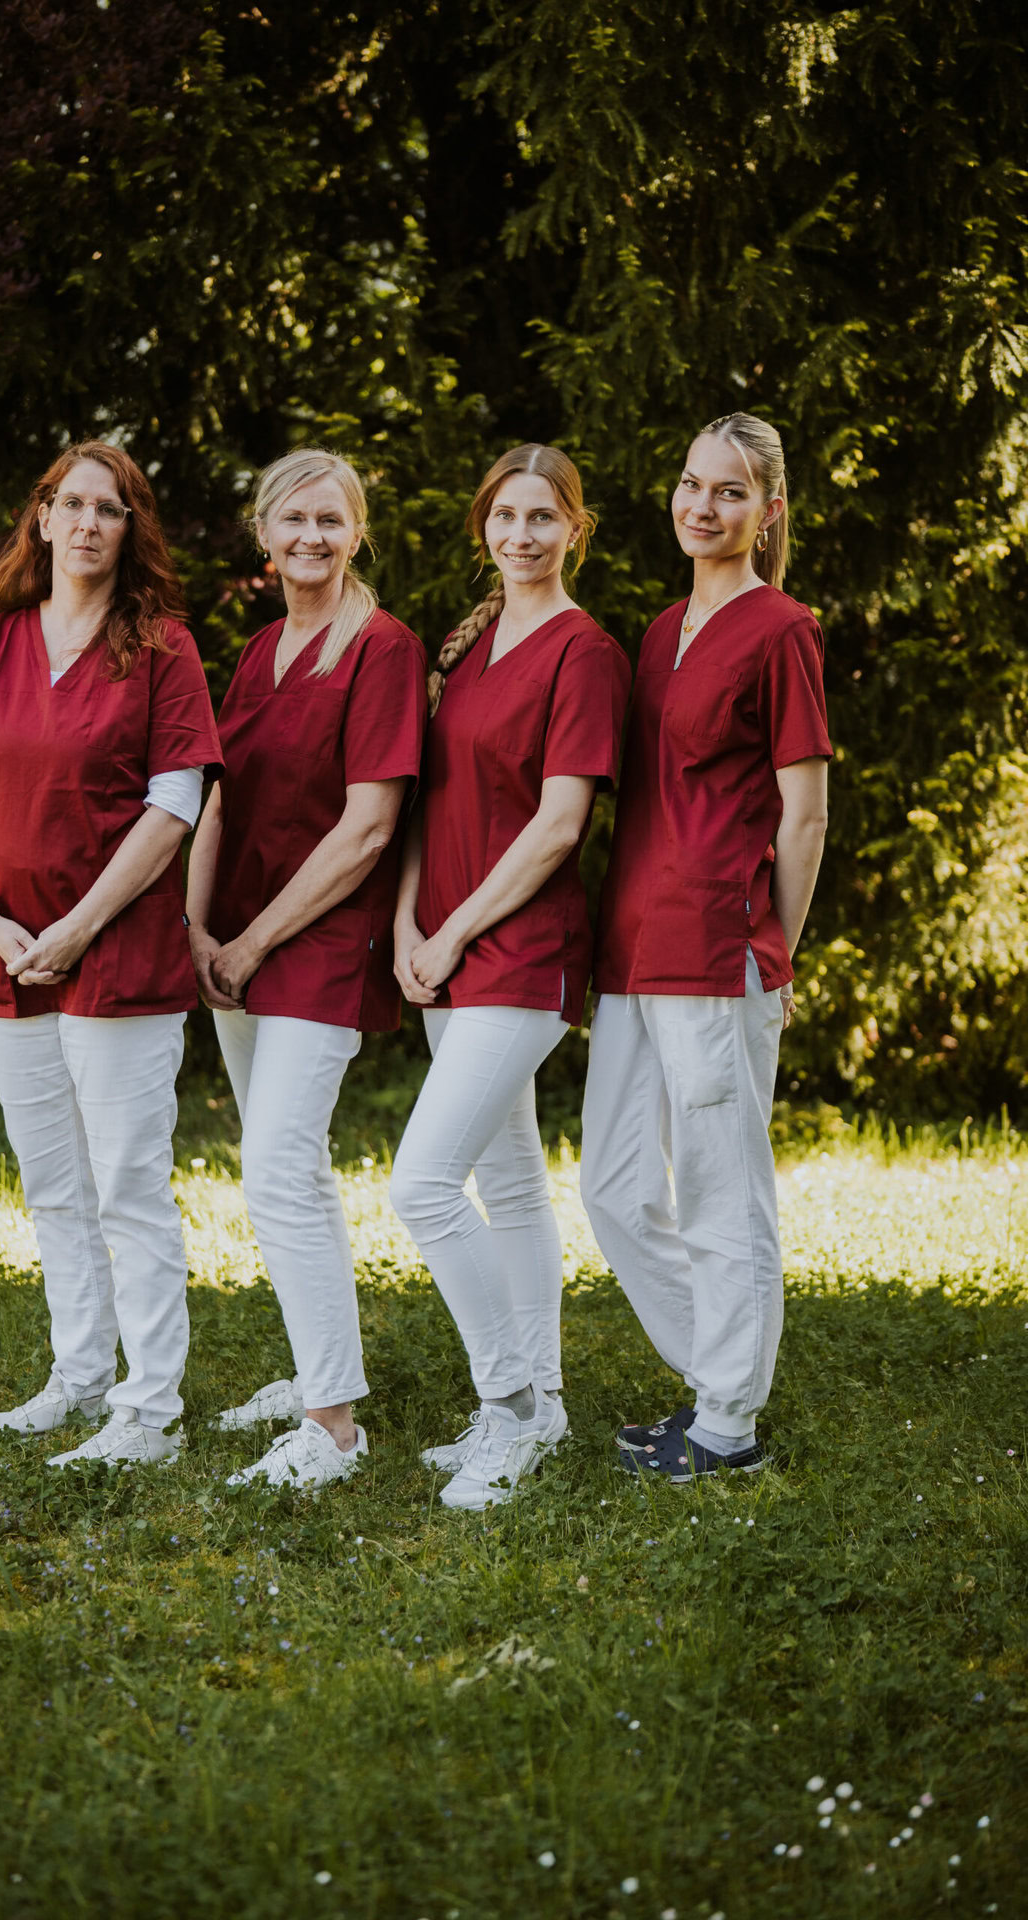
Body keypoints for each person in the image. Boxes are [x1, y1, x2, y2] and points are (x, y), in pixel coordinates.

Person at [0, 441, 221, 1468]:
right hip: (6, 950)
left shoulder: (163, 647)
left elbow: (174, 805)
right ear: (41, 519)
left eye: (112, 507)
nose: (90, 521)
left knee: (127, 1186)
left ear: (131, 531)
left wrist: (82, 923)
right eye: (72, 503)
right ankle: (79, 1375)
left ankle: (149, 1411)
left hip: (116, 956)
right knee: (52, 1183)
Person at [582, 411, 831, 1482]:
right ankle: (720, 1371)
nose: (701, 506)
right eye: (690, 484)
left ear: (766, 511)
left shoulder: (781, 629)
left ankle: (726, 1422)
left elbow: (803, 812)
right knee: (612, 1184)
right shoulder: (655, 630)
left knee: (720, 1189)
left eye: (728, 492)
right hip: (632, 943)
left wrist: (774, 954)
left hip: (719, 945)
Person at [390, 445, 631, 1511]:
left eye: (543, 517)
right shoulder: (470, 639)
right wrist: (406, 923)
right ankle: (548, 1398)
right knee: (509, 1184)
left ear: (574, 530)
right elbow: (421, 802)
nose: (521, 535)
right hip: (441, 945)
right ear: (482, 524)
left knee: (419, 1185)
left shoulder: (583, 653)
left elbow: (558, 826)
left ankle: (510, 1409)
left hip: (519, 953)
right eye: (505, 516)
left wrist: (452, 937)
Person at [185, 448, 426, 1491]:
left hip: (318, 940)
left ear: (357, 531)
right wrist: (196, 930)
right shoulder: (254, 652)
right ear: (263, 533)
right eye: (293, 520)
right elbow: (220, 803)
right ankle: (316, 1367)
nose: (312, 538)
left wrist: (251, 940)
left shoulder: (381, 649)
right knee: (291, 1170)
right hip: (233, 940)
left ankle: (332, 1427)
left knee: (277, 1165)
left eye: (331, 520)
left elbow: (368, 830)